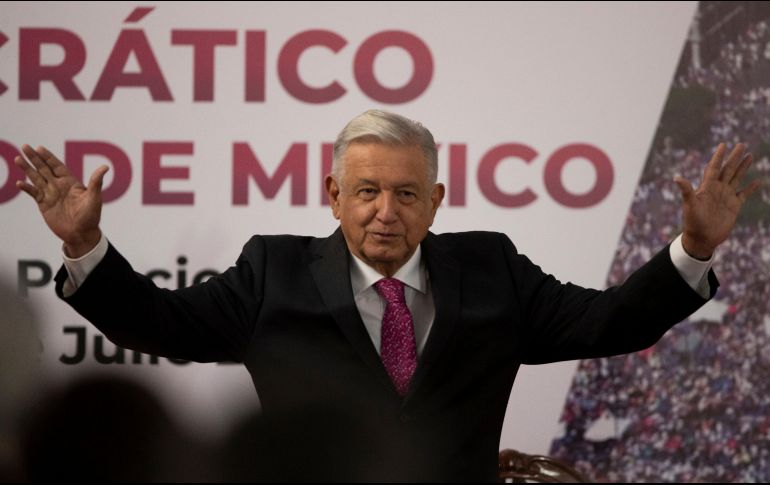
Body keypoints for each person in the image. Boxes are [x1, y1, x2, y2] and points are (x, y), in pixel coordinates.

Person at [14, 110, 761, 481]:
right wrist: (84, 244)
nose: (385, 209)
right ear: (333, 193)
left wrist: (694, 248)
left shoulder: (491, 268)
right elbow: (163, 324)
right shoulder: (272, 271)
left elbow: (608, 322)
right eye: (366, 190)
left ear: (436, 199)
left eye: (406, 192)